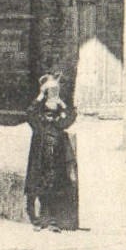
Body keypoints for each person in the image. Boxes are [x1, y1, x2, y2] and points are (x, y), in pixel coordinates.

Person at [25, 73, 79, 231]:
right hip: (41, 158)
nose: (54, 94)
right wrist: (40, 96)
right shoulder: (39, 123)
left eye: (56, 90)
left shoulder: (58, 124)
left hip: (55, 158)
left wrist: (61, 103)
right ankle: (39, 220)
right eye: (51, 91)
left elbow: (70, 118)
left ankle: (53, 221)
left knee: (56, 186)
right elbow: (29, 113)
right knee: (38, 186)